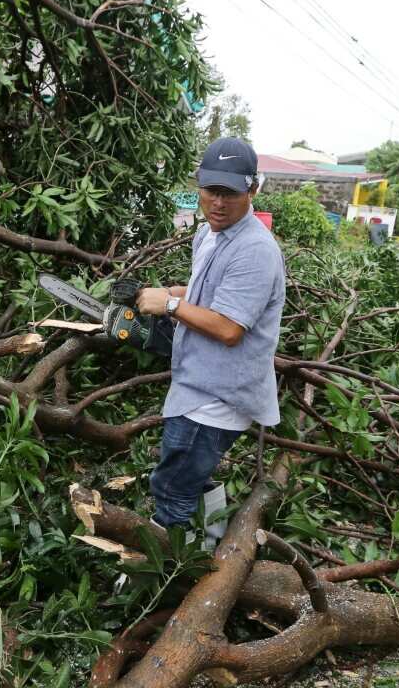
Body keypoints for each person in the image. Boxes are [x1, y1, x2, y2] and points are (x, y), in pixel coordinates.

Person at [135, 136, 285, 541]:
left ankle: (168, 573)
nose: (217, 203)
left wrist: (167, 307)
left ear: (252, 190)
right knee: (193, 474)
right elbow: (209, 292)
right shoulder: (209, 234)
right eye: (210, 191)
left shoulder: (255, 250)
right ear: (198, 185)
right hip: (199, 379)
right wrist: (173, 294)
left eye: (229, 193)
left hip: (216, 395)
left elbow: (229, 328)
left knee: (172, 485)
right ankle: (214, 540)